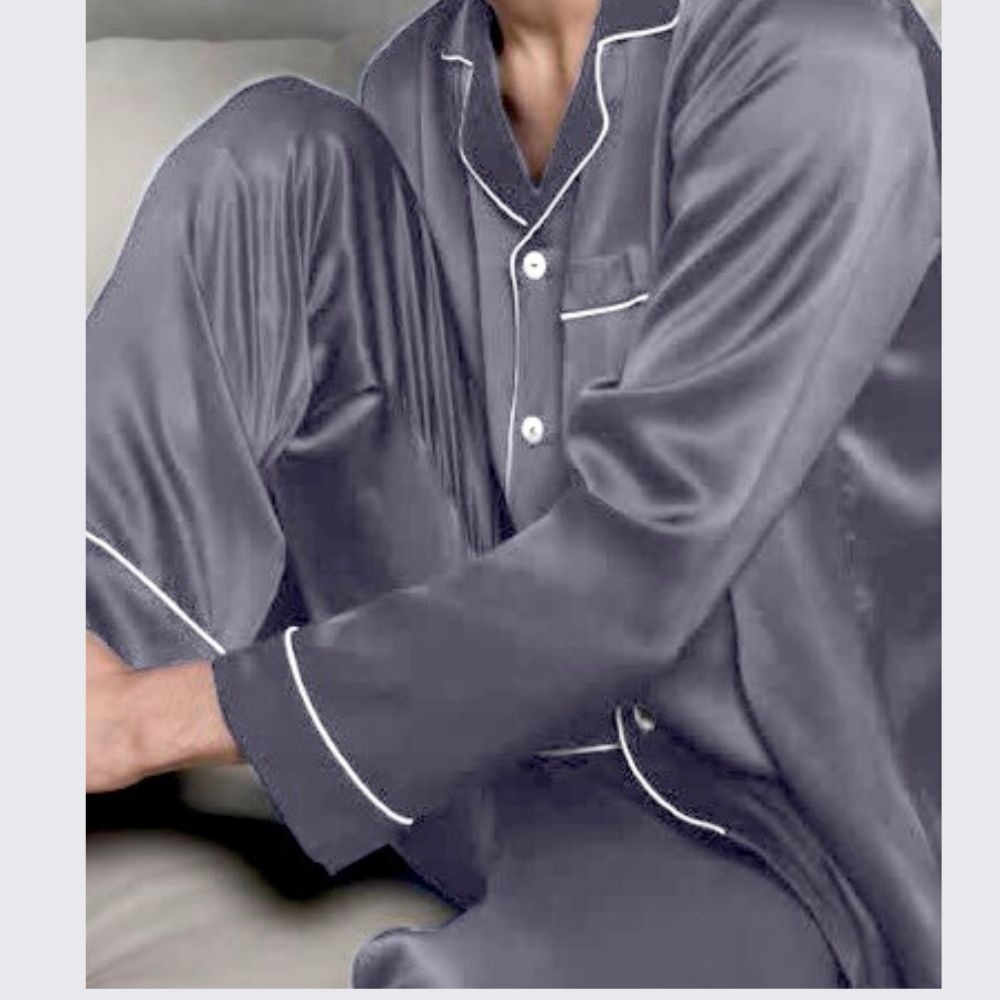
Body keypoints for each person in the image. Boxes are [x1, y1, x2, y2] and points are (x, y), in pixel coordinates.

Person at [86, 0, 941, 987]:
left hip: (784, 837)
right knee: (275, 154)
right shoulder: (420, 81)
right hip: (483, 752)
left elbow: (638, 569)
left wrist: (156, 719)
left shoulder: (822, 64)